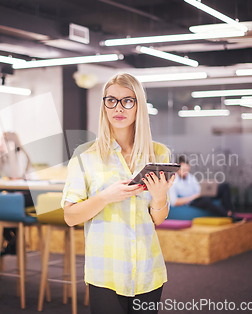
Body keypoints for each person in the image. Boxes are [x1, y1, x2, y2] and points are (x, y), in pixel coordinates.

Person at [62, 73, 175, 314]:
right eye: (111, 100)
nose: (118, 107)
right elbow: (70, 217)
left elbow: (159, 219)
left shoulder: (159, 154)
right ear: (104, 105)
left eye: (127, 100)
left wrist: (159, 197)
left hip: (147, 270)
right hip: (106, 272)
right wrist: (105, 197)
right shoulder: (85, 155)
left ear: (139, 106)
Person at [0, 132, 38, 255]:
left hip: (30, 194)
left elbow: (16, 176)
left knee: (3, 206)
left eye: (3, 141)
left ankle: (15, 241)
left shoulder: (20, 155)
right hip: (15, 195)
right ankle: (14, 240)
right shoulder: (4, 157)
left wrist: (11, 154)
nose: (1, 144)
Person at [168, 155, 235, 218]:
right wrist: (192, 197)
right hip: (191, 202)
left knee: (225, 187)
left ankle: (230, 211)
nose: (186, 172)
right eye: (184, 170)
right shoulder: (173, 181)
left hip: (199, 197)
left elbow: (199, 190)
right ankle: (227, 215)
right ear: (177, 169)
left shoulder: (191, 177)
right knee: (206, 201)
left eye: (187, 170)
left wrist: (204, 192)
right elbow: (174, 202)